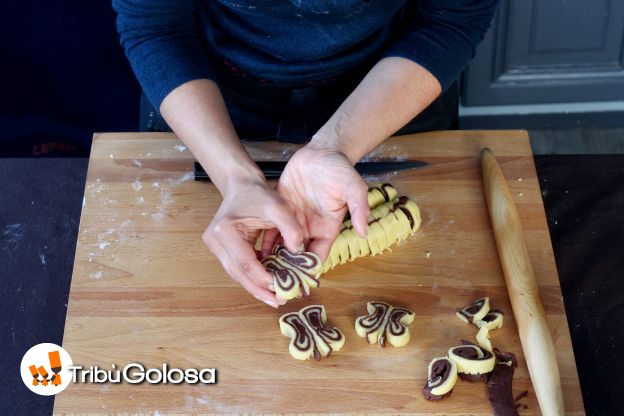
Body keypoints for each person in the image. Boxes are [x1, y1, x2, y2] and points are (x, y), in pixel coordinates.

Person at [113, 0, 498, 308]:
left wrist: (336, 144)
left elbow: (450, 20)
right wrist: (235, 177)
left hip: (391, 89)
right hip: (207, 97)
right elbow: (156, 26)